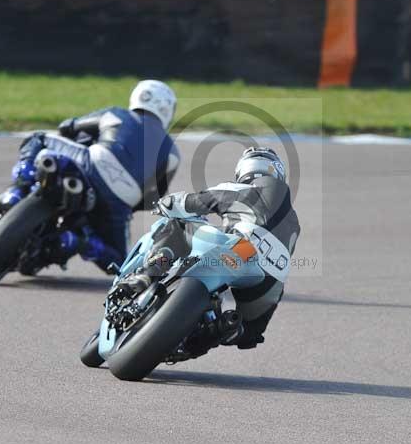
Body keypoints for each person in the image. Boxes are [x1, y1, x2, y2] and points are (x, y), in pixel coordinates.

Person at [0, 80, 180, 273]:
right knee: (120, 261)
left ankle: (18, 188)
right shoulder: (173, 153)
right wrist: (127, 207)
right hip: (121, 200)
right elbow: (154, 198)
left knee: (37, 138)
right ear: (167, 110)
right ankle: (79, 241)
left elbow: (68, 126)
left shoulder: (117, 114)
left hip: (91, 165)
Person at [125, 147, 300, 350]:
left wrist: (166, 203)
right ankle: (216, 331)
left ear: (243, 171)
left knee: (179, 226)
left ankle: (150, 270)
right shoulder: (294, 222)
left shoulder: (242, 189)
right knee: (247, 333)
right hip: (270, 279)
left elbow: (192, 203)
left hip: (241, 249)